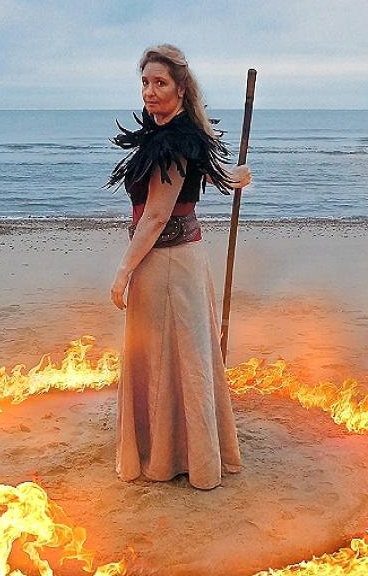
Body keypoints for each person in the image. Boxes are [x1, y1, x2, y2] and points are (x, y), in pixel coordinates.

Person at [107, 44, 252, 490]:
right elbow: (206, 173)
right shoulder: (174, 135)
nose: (150, 92)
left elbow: (154, 216)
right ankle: (188, 450)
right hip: (183, 262)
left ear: (181, 88)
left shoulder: (173, 143)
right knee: (180, 356)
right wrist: (231, 177)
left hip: (165, 263)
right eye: (145, 83)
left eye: (160, 83)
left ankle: (173, 456)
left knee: (171, 356)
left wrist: (122, 272)